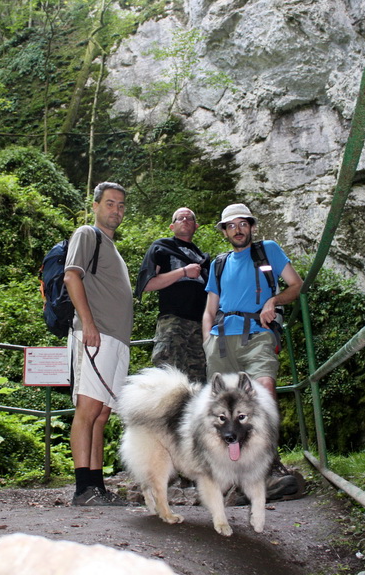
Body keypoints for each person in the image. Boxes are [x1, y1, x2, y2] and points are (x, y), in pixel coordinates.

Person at [202, 203, 305, 503]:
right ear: (224, 231)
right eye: (231, 225)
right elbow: (209, 309)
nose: (238, 229)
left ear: (251, 226)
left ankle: (268, 466)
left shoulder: (267, 251)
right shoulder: (218, 265)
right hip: (221, 343)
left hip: (257, 334)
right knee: (222, 412)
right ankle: (233, 477)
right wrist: (207, 339)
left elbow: (296, 285)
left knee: (264, 390)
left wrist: (273, 301)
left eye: (242, 223)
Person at [63, 182, 133, 506]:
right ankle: (82, 490)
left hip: (116, 341)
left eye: (120, 205)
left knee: (102, 414)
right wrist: (88, 324)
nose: (115, 210)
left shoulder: (113, 248)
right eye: (109, 203)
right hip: (95, 335)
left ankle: (97, 487)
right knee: (88, 409)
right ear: (95, 205)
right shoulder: (86, 235)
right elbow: (71, 276)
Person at [135, 207, 210, 382]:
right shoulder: (162, 247)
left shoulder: (204, 258)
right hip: (173, 321)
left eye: (189, 218)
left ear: (196, 225)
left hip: (200, 325)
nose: (184, 220)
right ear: (172, 226)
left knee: (199, 381)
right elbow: (147, 284)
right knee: (169, 377)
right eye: (180, 218)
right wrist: (183, 271)